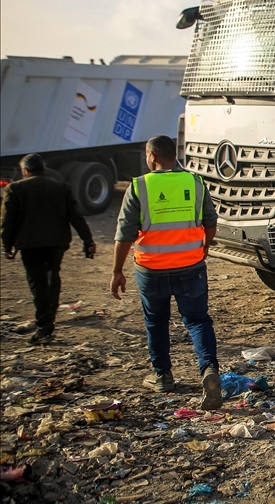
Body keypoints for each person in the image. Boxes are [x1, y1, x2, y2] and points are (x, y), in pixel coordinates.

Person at [108, 135, 222, 410]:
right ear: (174, 154)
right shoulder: (195, 182)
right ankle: (209, 371)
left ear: (152, 156)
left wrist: (117, 271)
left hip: (151, 268)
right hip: (191, 266)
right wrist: (204, 248)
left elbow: (124, 234)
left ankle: (162, 376)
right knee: (197, 321)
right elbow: (210, 221)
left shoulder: (139, 186)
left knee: (156, 321)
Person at [1, 153, 96, 343]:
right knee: (53, 276)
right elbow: (76, 217)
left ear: (25, 171)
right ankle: (48, 318)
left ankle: (44, 325)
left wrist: (7, 245)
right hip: (57, 243)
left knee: (37, 283)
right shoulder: (61, 187)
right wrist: (88, 241)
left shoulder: (15, 189)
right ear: (44, 169)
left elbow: (7, 221)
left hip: (29, 244)